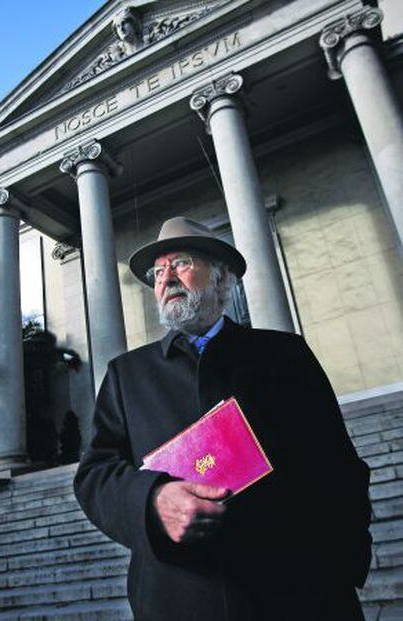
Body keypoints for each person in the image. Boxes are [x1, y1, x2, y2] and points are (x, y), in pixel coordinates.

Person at [73, 216, 372, 621]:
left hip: (300, 594)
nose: (166, 279)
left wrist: (342, 565)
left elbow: (338, 464)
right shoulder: (126, 374)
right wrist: (150, 502)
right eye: (158, 272)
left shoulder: (285, 355)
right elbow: (96, 474)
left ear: (221, 277)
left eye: (180, 263)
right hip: (180, 601)